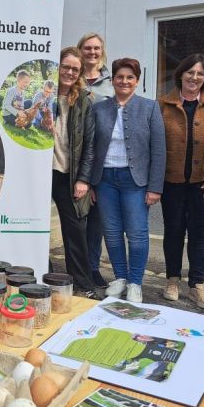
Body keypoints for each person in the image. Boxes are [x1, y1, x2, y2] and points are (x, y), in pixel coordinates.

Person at [90, 58, 166, 303]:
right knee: (112, 233)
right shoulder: (99, 109)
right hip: (105, 180)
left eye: (130, 77)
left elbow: (159, 150)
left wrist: (155, 187)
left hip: (135, 181)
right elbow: (91, 148)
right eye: (119, 77)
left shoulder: (150, 107)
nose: (124, 81)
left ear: (137, 81)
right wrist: (90, 182)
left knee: (137, 233)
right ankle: (120, 278)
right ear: (112, 80)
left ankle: (135, 282)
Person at [158, 54, 204, 310]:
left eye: (200, 74)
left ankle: (197, 285)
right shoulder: (163, 104)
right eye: (190, 72)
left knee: (199, 235)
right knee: (173, 231)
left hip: (203, 183)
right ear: (181, 74)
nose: (194, 77)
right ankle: (172, 280)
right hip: (171, 182)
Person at [50, 46, 98, 298]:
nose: (69, 72)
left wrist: (83, 179)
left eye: (75, 69)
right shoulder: (42, 95)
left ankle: (83, 284)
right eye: (66, 67)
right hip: (41, 174)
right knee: (34, 227)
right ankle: (43, 276)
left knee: (75, 230)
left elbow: (90, 145)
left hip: (68, 175)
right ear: (57, 67)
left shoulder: (83, 101)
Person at [77, 32, 114, 289]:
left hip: (102, 156)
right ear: (80, 50)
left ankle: (92, 267)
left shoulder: (111, 82)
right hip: (74, 156)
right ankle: (77, 266)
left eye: (96, 48)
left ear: (102, 51)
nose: (92, 52)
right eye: (87, 48)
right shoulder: (71, 78)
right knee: (77, 218)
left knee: (96, 220)